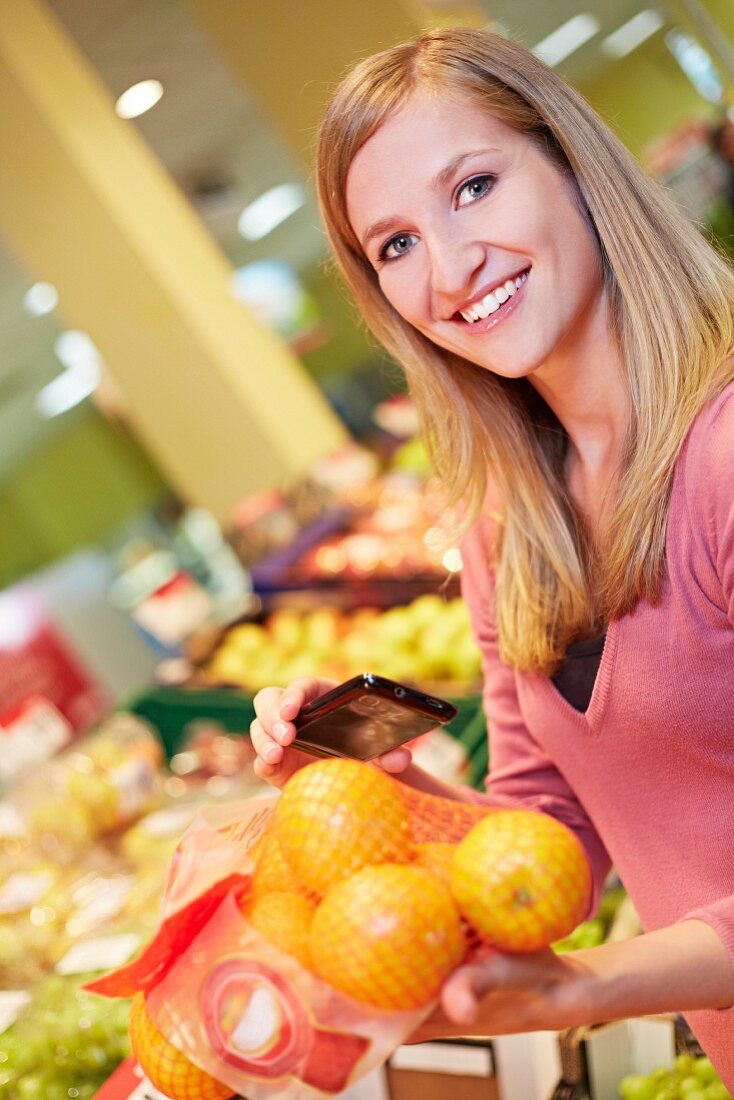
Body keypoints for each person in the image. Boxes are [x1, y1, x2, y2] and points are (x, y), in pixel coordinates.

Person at [250, 27, 734, 1084]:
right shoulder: (503, 523)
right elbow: (547, 827)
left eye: (471, 187)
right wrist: (390, 794)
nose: (450, 267)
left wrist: (592, 984)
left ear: (568, 158)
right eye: (395, 245)